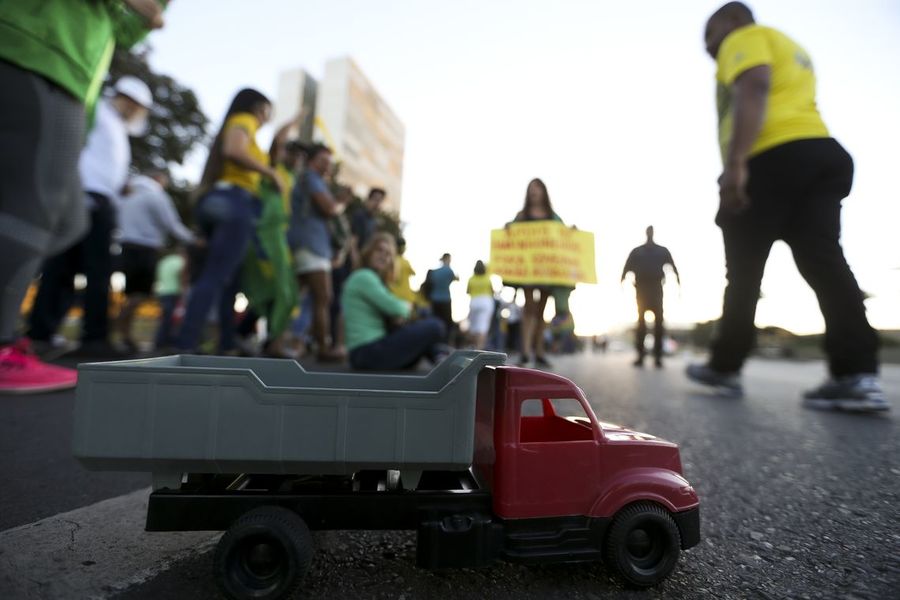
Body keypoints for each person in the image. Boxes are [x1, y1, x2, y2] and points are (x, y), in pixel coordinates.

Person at [686, 2, 886, 412]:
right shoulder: (790, 45)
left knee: (743, 273)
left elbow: (754, 85)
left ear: (732, 20)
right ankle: (856, 374)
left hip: (770, 158)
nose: (708, 47)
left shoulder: (743, 38)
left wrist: (737, 164)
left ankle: (725, 366)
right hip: (820, 153)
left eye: (710, 33)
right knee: (825, 263)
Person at [28, 76, 154, 358]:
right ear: (124, 98)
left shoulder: (117, 127)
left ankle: (74, 335)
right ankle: (50, 334)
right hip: (83, 195)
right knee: (69, 267)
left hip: (102, 200)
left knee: (88, 270)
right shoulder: (96, 110)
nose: (134, 112)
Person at [176, 88, 284, 354]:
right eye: (268, 110)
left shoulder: (241, 125)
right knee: (216, 276)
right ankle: (186, 343)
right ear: (259, 107)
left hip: (219, 202)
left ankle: (225, 343)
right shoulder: (244, 121)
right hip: (234, 202)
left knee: (227, 279)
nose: (268, 117)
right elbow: (234, 150)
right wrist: (270, 173)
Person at [114, 170, 195, 351]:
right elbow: (171, 223)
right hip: (145, 248)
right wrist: (193, 240)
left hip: (126, 246)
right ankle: (122, 328)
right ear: (159, 180)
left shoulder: (128, 198)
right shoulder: (156, 196)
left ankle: (124, 332)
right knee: (139, 294)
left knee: (132, 294)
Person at [342, 233, 446, 370]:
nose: (384, 256)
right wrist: (406, 307)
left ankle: (441, 357)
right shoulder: (364, 277)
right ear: (368, 252)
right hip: (367, 352)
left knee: (421, 328)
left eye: (388, 254)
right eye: (379, 250)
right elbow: (398, 309)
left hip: (367, 354)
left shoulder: (373, 280)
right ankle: (442, 357)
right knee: (435, 325)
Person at [287, 143, 347, 361]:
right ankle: (323, 347)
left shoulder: (311, 179)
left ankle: (291, 341)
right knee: (323, 296)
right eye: (323, 162)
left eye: (329, 163)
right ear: (312, 161)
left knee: (300, 296)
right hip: (310, 243)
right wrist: (341, 202)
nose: (327, 167)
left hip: (311, 243)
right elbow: (329, 209)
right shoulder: (311, 178)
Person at [510, 178, 565, 368]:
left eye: (538, 188)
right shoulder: (522, 215)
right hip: (527, 271)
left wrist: (571, 233)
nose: (534, 191)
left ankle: (539, 351)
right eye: (531, 188)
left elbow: (563, 235)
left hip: (547, 271)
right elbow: (511, 232)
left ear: (543, 192)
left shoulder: (552, 216)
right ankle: (526, 352)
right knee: (529, 308)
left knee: (541, 311)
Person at [621, 226, 680, 368]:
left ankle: (658, 357)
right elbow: (626, 268)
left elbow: (673, 267)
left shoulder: (662, 251)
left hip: (656, 289)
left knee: (659, 323)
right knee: (641, 324)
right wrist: (622, 281)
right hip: (641, 289)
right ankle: (640, 356)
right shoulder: (637, 251)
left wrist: (679, 284)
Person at [153, 246, 188, 350]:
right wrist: (184, 292)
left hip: (162, 292)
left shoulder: (164, 261)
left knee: (165, 318)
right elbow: (182, 276)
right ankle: (167, 341)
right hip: (174, 292)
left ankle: (160, 341)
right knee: (173, 320)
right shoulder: (180, 261)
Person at [427, 253, 458, 341]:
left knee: (435, 321)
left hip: (434, 299)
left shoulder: (434, 272)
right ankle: (445, 342)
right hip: (445, 299)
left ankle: (435, 341)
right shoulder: (449, 271)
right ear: (447, 259)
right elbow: (456, 278)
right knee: (447, 323)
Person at [466, 261, 495, 350]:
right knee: (483, 327)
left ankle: (475, 347)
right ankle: (480, 348)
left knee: (474, 327)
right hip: (486, 301)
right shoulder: (487, 278)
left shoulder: (471, 279)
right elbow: (492, 291)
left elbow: (467, 291)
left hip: (474, 302)